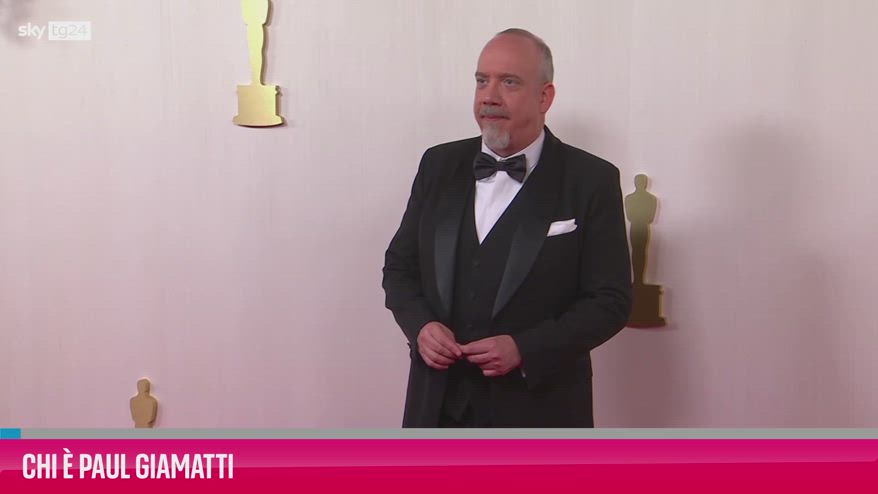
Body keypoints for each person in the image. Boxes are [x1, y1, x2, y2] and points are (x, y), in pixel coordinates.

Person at [382, 28, 631, 427]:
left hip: (541, 411)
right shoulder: (438, 165)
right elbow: (400, 266)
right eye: (482, 81)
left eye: (509, 82)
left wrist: (525, 349)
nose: (489, 96)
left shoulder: (592, 179)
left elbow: (610, 301)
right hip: (435, 408)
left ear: (544, 97)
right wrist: (420, 326)